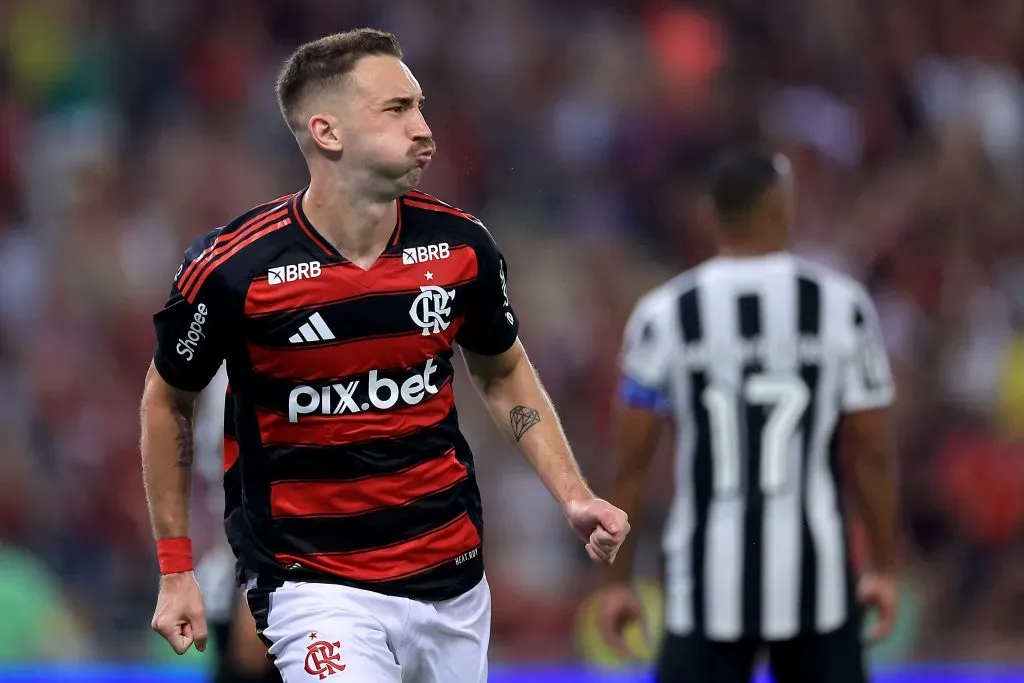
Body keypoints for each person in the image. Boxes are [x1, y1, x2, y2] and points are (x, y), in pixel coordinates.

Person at [140, 28, 630, 682]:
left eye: (420, 106)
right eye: (396, 109)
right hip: (315, 584)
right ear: (328, 131)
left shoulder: (462, 248)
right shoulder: (233, 269)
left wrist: (572, 494)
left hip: (451, 580)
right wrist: (176, 569)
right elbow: (166, 399)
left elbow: (502, 367)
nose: (424, 128)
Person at [594, 149, 899, 682]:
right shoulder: (841, 306)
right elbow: (872, 450)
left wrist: (618, 582)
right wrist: (883, 567)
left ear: (713, 217)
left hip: (703, 584)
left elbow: (631, 463)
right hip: (818, 581)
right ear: (784, 209)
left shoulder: (664, 315)